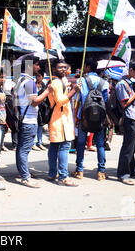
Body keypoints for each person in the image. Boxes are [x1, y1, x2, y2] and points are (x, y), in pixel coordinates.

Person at [15, 55, 52, 188]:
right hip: (29, 120)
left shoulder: (20, 79)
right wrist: (47, 91)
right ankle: (25, 177)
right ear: (30, 66)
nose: (39, 67)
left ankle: (22, 172)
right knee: (24, 150)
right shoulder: (29, 82)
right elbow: (35, 102)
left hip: (22, 118)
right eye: (37, 64)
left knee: (20, 148)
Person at [72, 58, 109, 181]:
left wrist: (76, 117)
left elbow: (77, 101)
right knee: (100, 145)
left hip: (84, 117)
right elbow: (105, 101)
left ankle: (79, 170)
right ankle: (101, 172)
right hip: (99, 117)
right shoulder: (104, 82)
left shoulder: (81, 81)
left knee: (81, 144)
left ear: (87, 67)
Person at [47, 58, 81, 186]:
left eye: (65, 67)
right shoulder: (56, 82)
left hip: (59, 119)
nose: (63, 69)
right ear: (55, 69)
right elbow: (60, 101)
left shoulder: (60, 82)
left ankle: (52, 173)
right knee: (64, 147)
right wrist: (74, 91)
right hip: (60, 119)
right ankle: (63, 176)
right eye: (60, 67)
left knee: (54, 147)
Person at [34, 69, 47, 151]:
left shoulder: (44, 85)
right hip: (35, 108)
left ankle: (40, 142)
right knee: (35, 126)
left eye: (39, 76)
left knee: (40, 126)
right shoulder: (33, 85)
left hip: (42, 109)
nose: (37, 78)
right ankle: (33, 143)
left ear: (42, 77)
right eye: (36, 76)